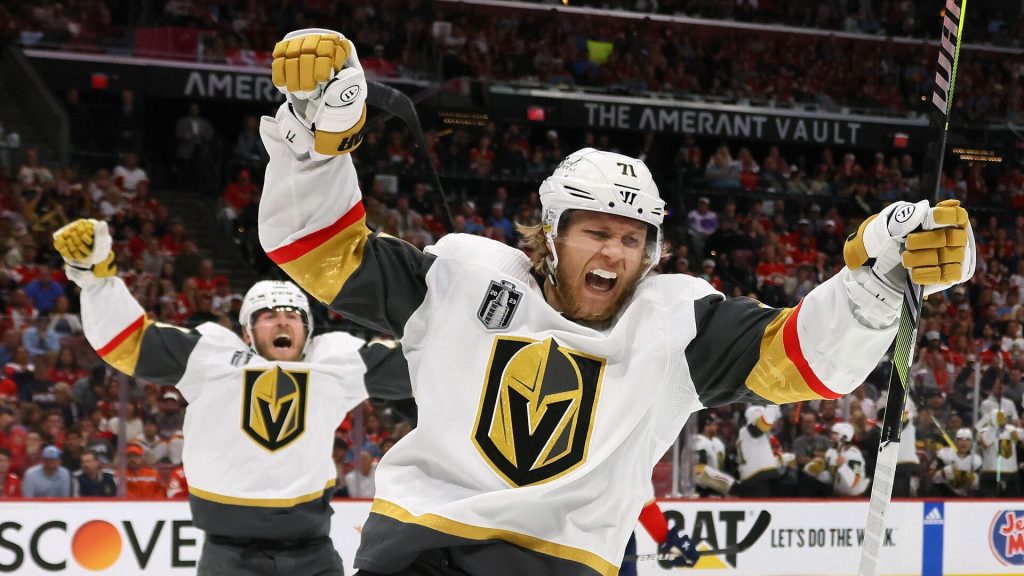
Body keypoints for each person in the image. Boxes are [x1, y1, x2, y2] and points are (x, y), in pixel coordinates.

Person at [258, 29, 976, 576]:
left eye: (632, 240)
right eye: (596, 233)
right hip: (415, 556)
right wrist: (318, 137)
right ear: (550, 236)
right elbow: (314, 252)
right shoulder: (465, 279)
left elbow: (807, 363)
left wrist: (873, 282)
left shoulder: (676, 324)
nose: (614, 254)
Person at [53, 218, 412, 576]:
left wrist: (442, 311)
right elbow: (128, 342)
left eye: (293, 315)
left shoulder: (335, 361)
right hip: (231, 557)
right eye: (269, 315)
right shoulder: (211, 356)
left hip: (312, 551)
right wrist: (96, 279)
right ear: (247, 333)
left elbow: (417, 367)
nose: (283, 321)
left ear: (308, 330)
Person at [735, 405, 782, 497]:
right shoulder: (749, 431)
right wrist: (774, 404)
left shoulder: (748, 434)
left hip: (755, 477)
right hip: (757, 478)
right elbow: (766, 421)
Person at [931, 428, 981, 497]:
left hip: (965, 498)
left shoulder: (976, 460)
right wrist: (942, 473)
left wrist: (974, 480)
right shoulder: (944, 453)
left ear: (971, 442)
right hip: (943, 494)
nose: (963, 443)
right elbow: (932, 476)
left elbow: (978, 486)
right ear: (955, 441)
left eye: (967, 440)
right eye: (960, 439)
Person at [826, 422, 869, 497]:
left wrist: (843, 467)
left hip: (853, 498)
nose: (832, 437)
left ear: (845, 437)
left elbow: (856, 481)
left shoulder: (853, 455)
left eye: (835, 434)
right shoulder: (833, 452)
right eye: (832, 433)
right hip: (838, 495)